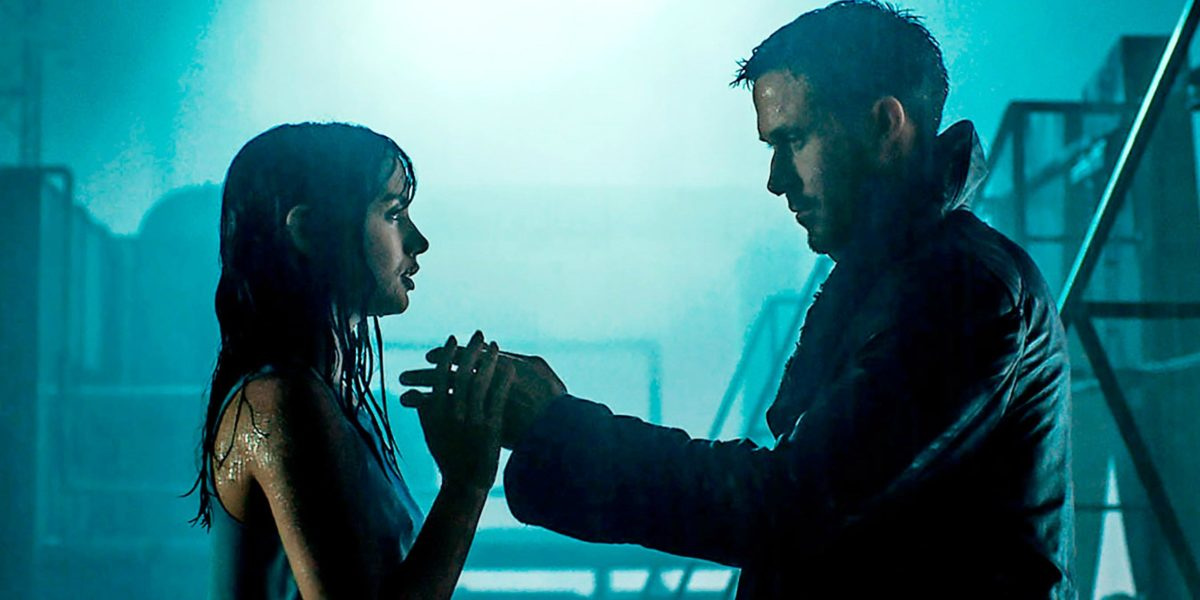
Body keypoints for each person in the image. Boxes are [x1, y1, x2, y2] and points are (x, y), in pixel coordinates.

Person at [401, 2, 1075, 598]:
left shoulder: (966, 290)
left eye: (793, 140)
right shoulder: (915, 282)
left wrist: (559, 429)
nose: (776, 179)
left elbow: (792, 503)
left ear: (883, 124)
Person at [189, 122, 514, 599]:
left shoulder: (325, 403)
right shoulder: (281, 403)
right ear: (309, 230)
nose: (418, 241)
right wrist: (466, 486)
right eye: (393, 213)